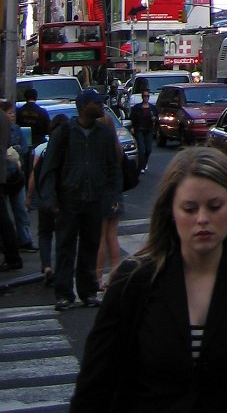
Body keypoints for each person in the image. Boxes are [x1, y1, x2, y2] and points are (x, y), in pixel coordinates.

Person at [70, 148, 227, 413]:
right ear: (171, 212)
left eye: (214, 206)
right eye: (189, 208)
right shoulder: (134, 281)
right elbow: (95, 387)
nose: (202, 219)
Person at [37, 88, 120, 310]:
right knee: (65, 246)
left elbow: (112, 166)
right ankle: (64, 293)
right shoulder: (64, 132)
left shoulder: (103, 133)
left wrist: (113, 194)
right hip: (69, 198)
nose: (101, 105)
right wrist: (50, 197)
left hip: (95, 197)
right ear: (84, 107)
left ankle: (88, 291)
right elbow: (50, 166)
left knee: (90, 246)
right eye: (96, 102)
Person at [27, 113, 69, 286]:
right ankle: (60, 268)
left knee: (44, 234)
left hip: (45, 197)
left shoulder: (42, 149)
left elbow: (34, 175)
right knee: (62, 235)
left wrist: (30, 196)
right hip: (64, 199)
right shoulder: (71, 150)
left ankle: (46, 267)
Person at [2, 99, 35, 251]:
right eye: (9, 113)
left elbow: (24, 148)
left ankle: (25, 240)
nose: (12, 115)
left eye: (13, 113)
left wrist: (15, 150)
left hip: (16, 174)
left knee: (21, 209)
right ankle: (7, 243)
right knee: (5, 213)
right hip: (3, 175)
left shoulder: (17, 129)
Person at [96, 109, 124, 290]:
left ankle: (97, 278)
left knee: (99, 238)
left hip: (100, 194)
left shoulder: (96, 147)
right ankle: (115, 275)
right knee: (112, 237)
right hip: (115, 192)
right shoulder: (116, 147)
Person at [16, 87, 51, 177]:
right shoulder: (42, 112)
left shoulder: (19, 112)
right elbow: (48, 130)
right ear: (36, 97)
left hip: (23, 145)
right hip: (38, 144)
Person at [130, 89, 158, 173]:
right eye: (145, 96)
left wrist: (154, 119)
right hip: (139, 130)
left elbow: (157, 119)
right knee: (141, 149)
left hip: (148, 130)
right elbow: (132, 118)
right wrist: (132, 127)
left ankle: (144, 162)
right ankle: (141, 166)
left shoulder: (152, 108)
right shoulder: (137, 108)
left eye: (147, 96)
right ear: (142, 97)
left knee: (148, 149)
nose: (146, 98)